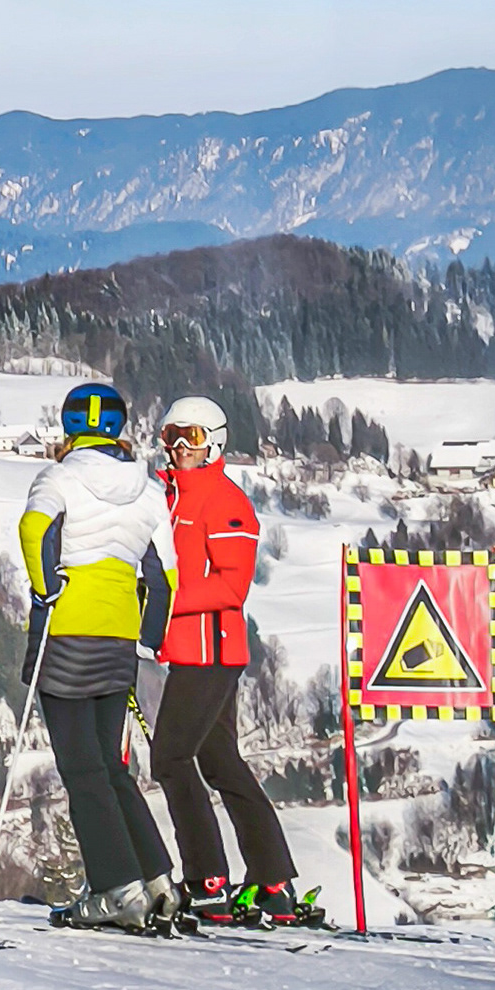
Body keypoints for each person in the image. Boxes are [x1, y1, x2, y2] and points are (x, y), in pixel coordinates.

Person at [18, 382, 180, 930]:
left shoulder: (58, 477)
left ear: (68, 427)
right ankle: (156, 882)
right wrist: (148, 636)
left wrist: (47, 590)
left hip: (66, 631)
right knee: (110, 765)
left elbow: (34, 529)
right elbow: (165, 574)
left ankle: (116, 890)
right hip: (118, 636)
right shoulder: (149, 489)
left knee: (81, 768)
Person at [153, 396, 306, 926]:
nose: (179, 447)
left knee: (170, 759)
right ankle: (271, 880)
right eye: (171, 435)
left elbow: (231, 585)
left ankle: (207, 878)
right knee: (219, 761)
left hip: (210, 651)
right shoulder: (171, 497)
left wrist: (164, 599)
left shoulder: (223, 499)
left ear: (214, 442)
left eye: (191, 437)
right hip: (188, 649)